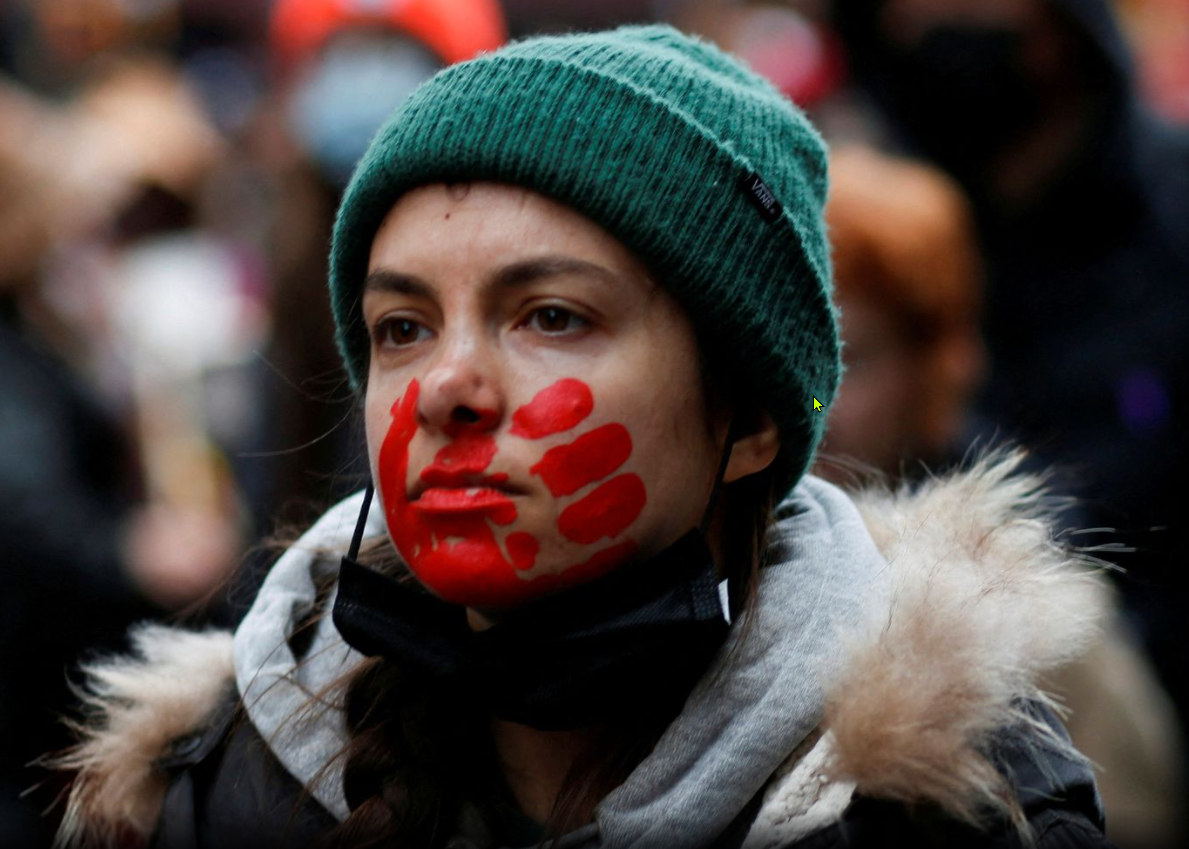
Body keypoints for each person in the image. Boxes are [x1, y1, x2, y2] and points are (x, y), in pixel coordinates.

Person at [51, 26, 1112, 849]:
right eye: (402, 327)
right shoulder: (224, 785)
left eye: (551, 315)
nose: (446, 388)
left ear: (748, 417)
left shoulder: (965, 809)